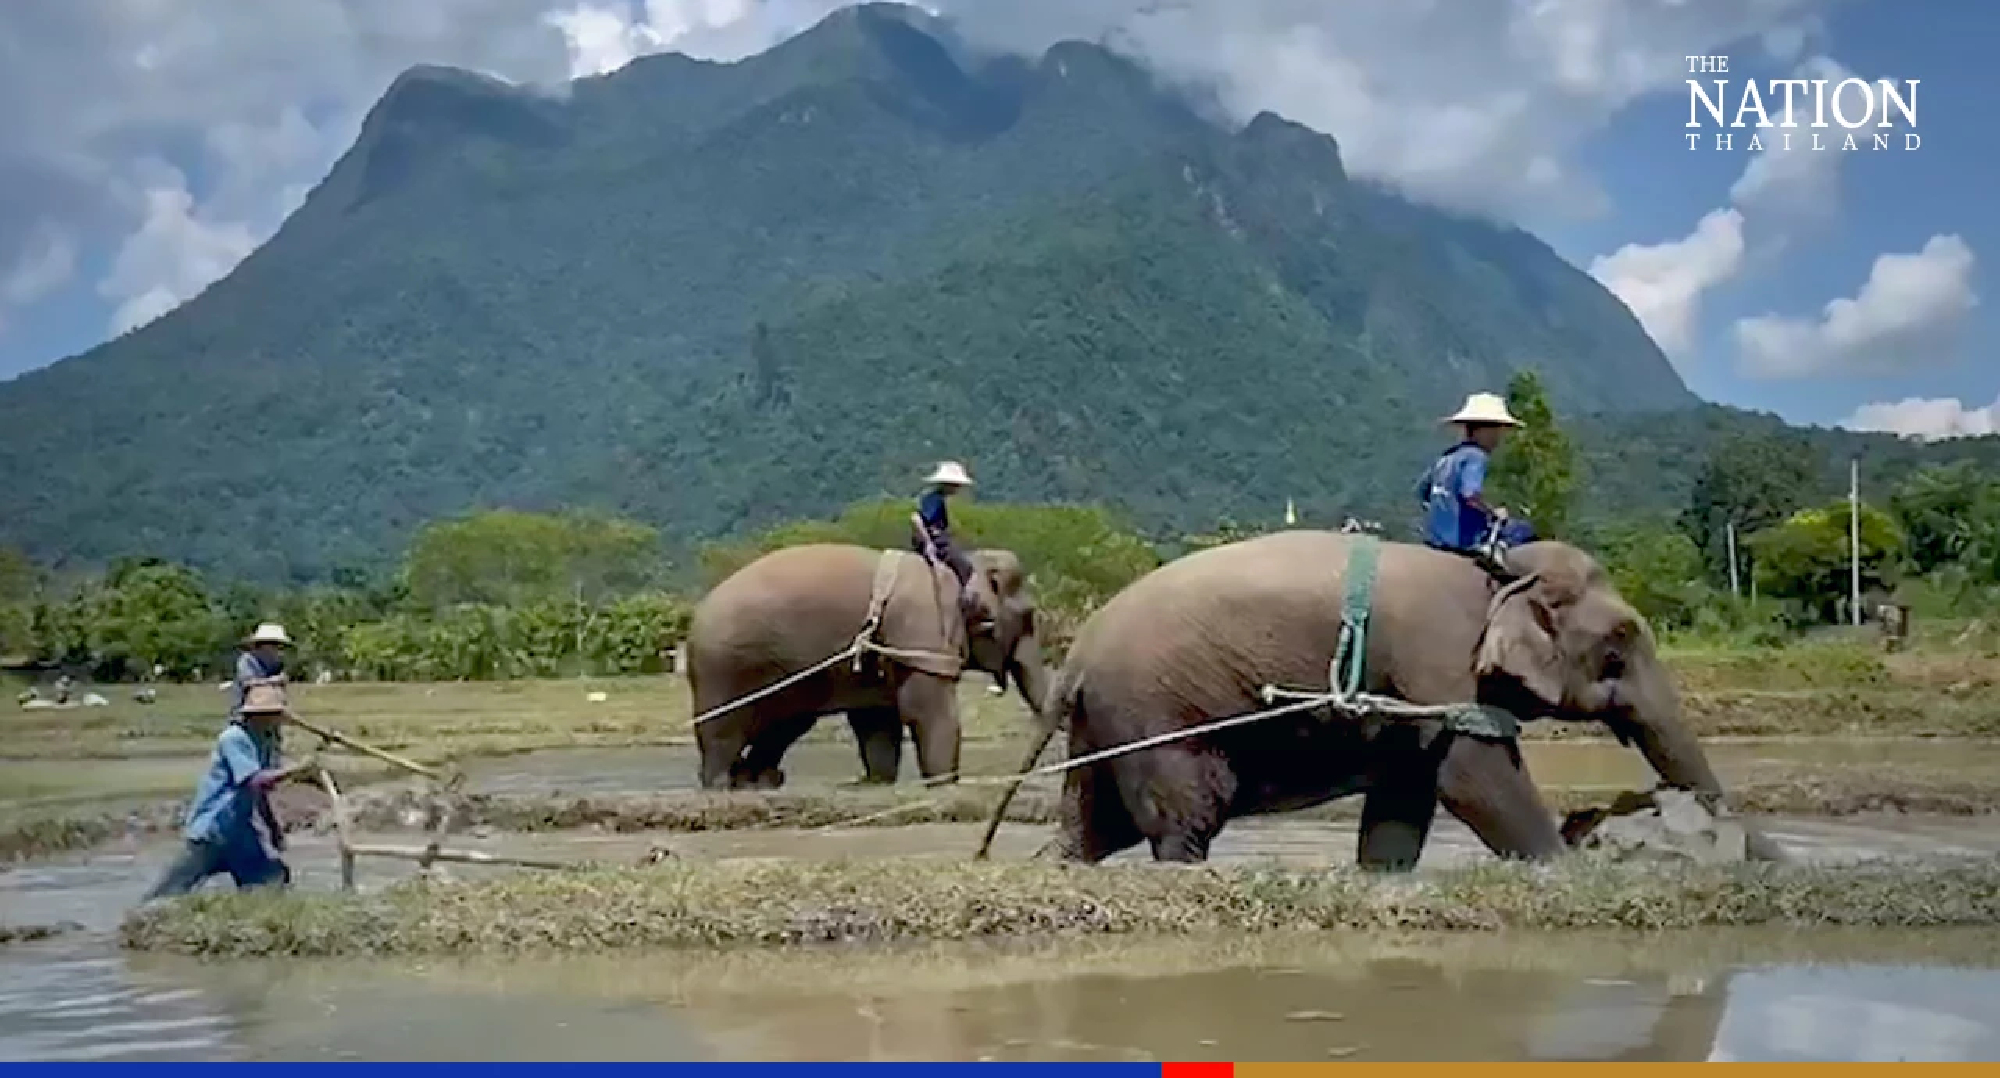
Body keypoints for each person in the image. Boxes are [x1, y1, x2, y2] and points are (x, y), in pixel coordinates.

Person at [141, 682, 315, 900]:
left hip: (239, 831)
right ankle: (143, 919)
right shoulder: (234, 738)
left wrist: (273, 828)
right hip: (212, 828)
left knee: (272, 877)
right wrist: (297, 769)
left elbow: (260, 793)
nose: (274, 721)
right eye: (269, 715)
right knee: (170, 891)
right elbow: (254, 781)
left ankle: (256, 920)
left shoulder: (264, 742)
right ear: (254, 715)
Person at [1418, 392, 1526, 557]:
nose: (1499, 436)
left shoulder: (1448, 456)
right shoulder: (1476, 456)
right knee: (1523, 531)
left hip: (1436, 538)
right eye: (1496, 429)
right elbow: (1470, 494)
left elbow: (1421, 491)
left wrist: (1441, 507)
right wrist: (1492, 512)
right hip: (1464, 540)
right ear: (1481, 430)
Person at [911, 461, 986, 623]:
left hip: (938, 538)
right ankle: (967, 605)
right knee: (967, 568)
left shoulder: (933, 498)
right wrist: (929, 543)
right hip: (937, 541)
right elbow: (916, 518)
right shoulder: (934, 500)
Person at [231, 623, 292, 720]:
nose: (278, 649)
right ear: (262, 645)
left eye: (281, 646)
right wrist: (273, 681)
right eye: (275, 644)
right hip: (244, 718)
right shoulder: (247, 660)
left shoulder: (276, 665)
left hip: (270, 717)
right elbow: (247, 683)